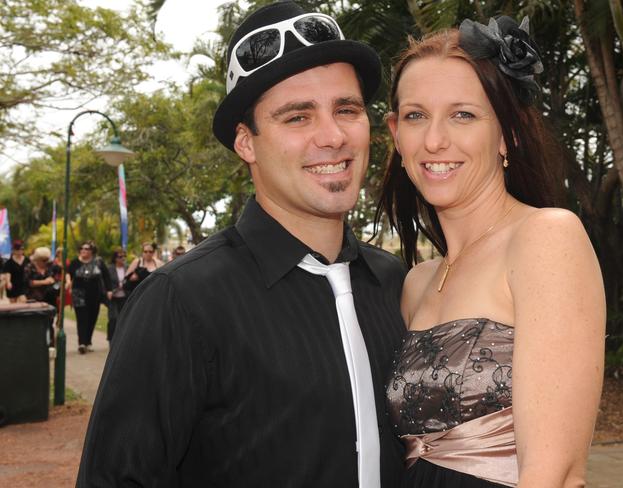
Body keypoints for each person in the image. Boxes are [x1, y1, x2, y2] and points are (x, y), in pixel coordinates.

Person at [77, 2, 406, 486]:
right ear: (246, 143)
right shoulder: (181, 302)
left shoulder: (397, 284)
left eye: (347, 109)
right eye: (297, 117)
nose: (333, 136)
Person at [378, 18, 605, 488]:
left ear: (507, 134)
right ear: (396, 135)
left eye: (463, 114)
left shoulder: (546, 238)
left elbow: (555, 474)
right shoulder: (417, 281)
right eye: (416, 116)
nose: (435, 140)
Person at [65, 241, 111, 354]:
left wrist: (109, 290)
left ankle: (88, 342)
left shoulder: (98, 262)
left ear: (92, 251)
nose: (84, 251)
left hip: (95, 293)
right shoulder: (75, 262)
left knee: (92, 318)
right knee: (81, 318)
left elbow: (106, 276)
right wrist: (68, 282)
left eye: (87, 249)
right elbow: (68, 273)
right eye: (82, 248)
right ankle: (82, 343)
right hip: (79, 294)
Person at [24, 246, 61, 346]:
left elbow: (57, 278)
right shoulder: (29, 267)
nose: (45, 262)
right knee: (34, 322)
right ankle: (34, 343)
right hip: (34, 299)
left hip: (49, 299)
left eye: (46, 260)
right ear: (37, 259)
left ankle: (50, 345)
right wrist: (45, 282)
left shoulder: (51, 267)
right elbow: (29, 283)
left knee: (49, 322)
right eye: (43, 260)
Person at [106, 248, 128, 343]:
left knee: (124, 319)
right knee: (113, 319)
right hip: (113, 298)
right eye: (120, 256)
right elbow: (105, 282)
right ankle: (111, 340)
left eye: (124, 256)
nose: (122, 258)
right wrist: (108, 291)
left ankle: (122, 340)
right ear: (115, 258)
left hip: (125, 297)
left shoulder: (128, 267)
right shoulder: (110, 268)